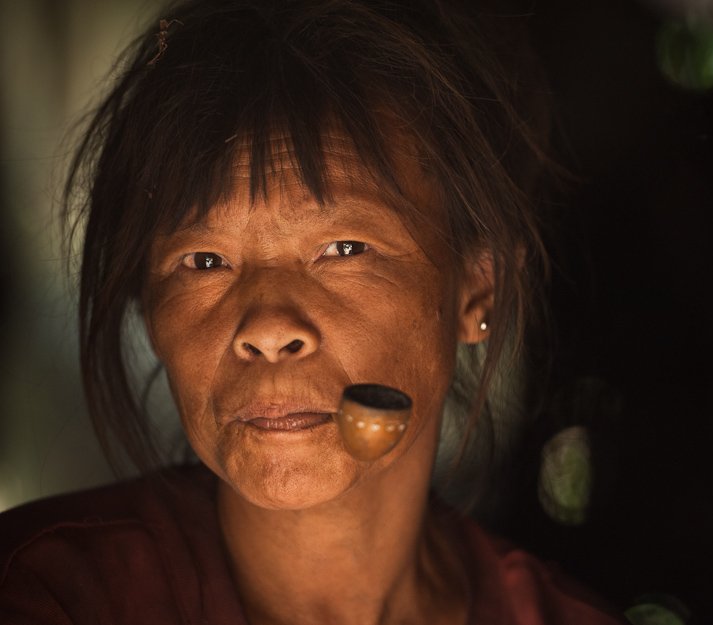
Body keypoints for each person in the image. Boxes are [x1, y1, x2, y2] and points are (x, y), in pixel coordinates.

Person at [0, 1, 627, 623]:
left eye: (344, 249)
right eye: (204, 261)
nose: (269, 330)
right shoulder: (46, 594)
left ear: (476, 289)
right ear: (149, 305)